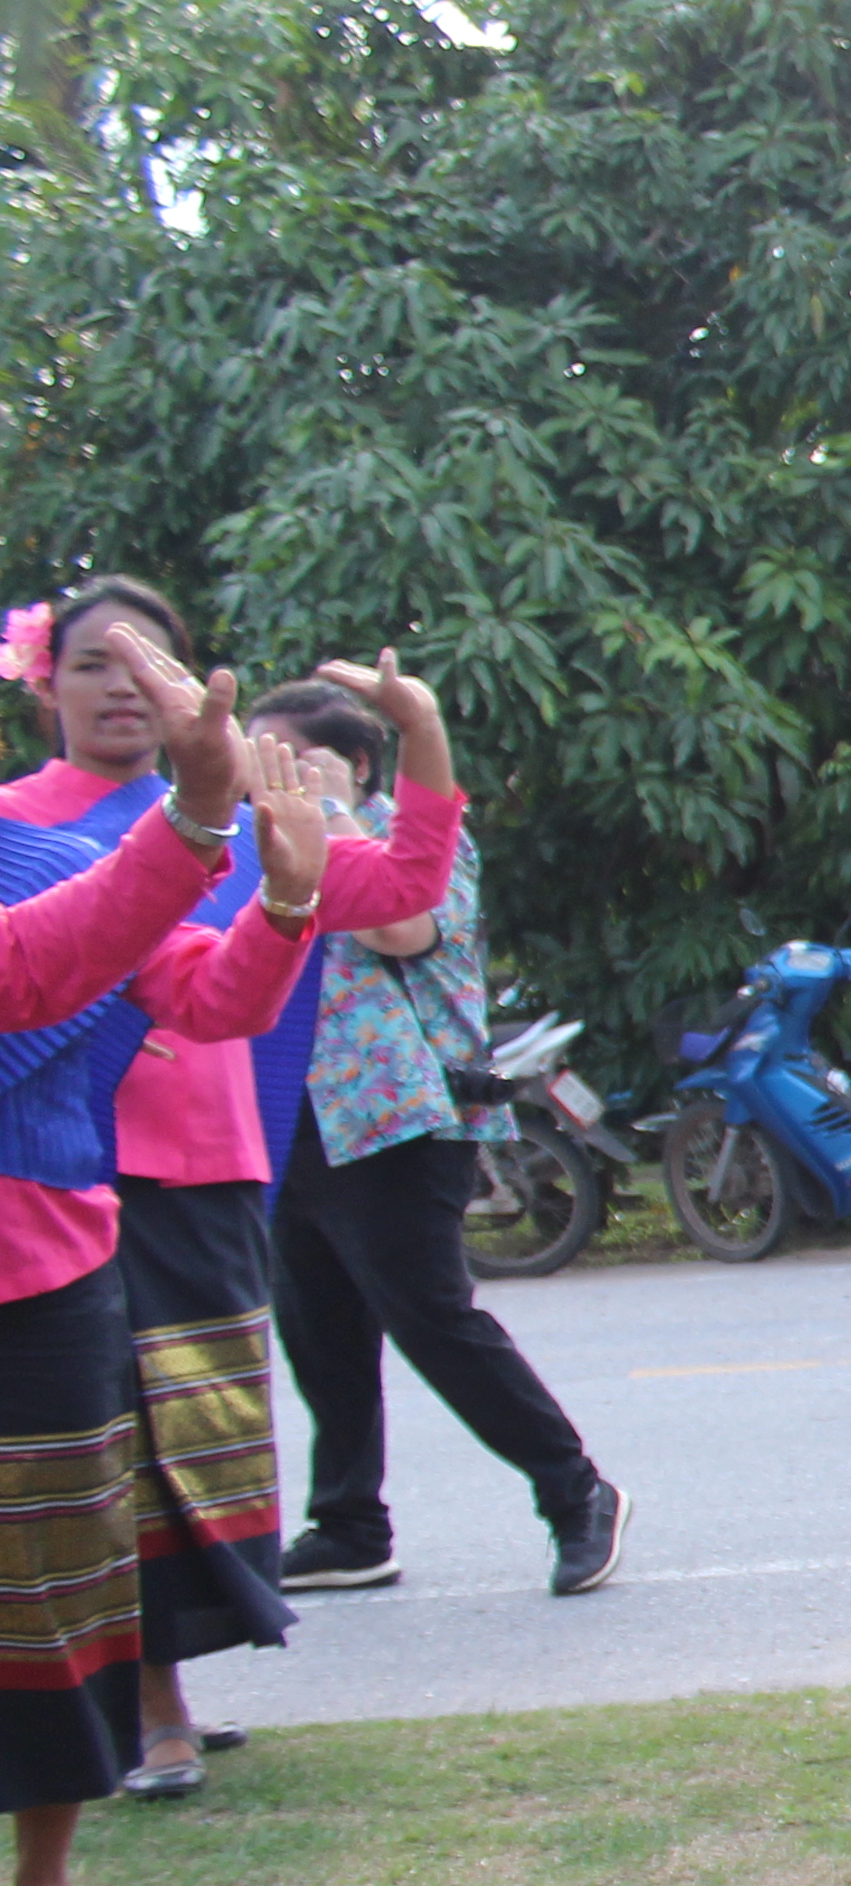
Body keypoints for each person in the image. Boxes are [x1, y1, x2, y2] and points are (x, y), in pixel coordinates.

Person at [0, 594, 490, 1794]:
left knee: (188, 1450)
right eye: (88, 664)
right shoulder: (19, 831)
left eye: (145, 663)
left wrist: (417, 736)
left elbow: (398, 888)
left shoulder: (256, 815)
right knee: (85, 1458)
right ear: (38, 683)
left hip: (214, 1162)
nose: (120, 688)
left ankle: (151, 1697)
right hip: (64, 1184)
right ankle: (136, 1711)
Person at [0, 609, 316, 1886]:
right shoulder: (61, 850)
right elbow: (29, 972)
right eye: (96, 669)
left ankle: (48, 1884)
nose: (123, 695)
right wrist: (197, 818)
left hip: (52, 1263)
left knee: (64, 1582)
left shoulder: (56, 855)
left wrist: (289, 902)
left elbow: (213, 999)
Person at [254, 681, 625, 1611]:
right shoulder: (254, 852)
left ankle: (576, 1491)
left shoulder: (415, 838)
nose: (265, 776)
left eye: (287, 756)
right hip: (284, 1115)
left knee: (430, 1318)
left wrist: (328, 819)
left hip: (400, 1115)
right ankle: (349, 1526)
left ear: (359, 766)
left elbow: (400, 927)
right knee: (317, 1328)